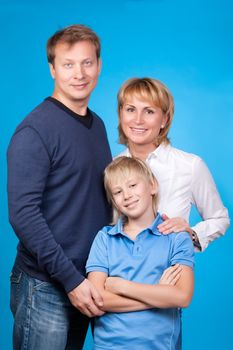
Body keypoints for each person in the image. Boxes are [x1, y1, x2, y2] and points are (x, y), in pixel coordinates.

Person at [7, 24, 112, 350]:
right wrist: (71, 280)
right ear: (52, 69)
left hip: (87, 281)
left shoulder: (97, 125)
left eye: (87, 63)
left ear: (98, 65)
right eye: (68, 64)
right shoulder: (35, 131)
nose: (79, 73)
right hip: (46, 286)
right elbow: (23, 215)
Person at [86, 156, 194, 349]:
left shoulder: (177, 237)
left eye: (133, 185)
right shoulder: (104, 238)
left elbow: (181, 296)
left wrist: (121, 286)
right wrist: (160, 296)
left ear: (152, 186)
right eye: (117, 192)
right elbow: (98, 300)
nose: (126, 195)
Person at [116, 77, 230, 251]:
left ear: (164, 119)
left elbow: (220, 219)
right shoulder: (109, 167)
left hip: (172, 274)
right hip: (120, 276)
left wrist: (191, 233)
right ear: (120, 114)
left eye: (149, 111)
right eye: (131, 109)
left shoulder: (190, 166)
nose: (138, 120)